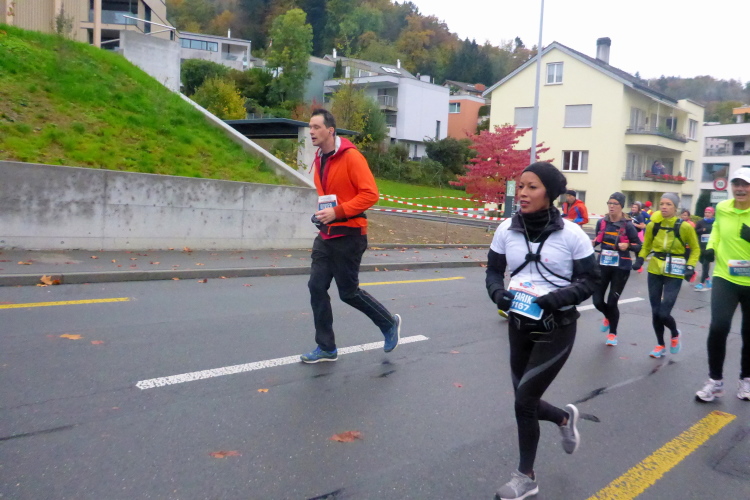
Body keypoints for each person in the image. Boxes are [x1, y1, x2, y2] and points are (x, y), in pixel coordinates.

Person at [486, 162, 600, 500]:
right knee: (526, 400)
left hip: (557, 327)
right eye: (521, 186)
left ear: (549, 193)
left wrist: (557, 299)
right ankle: (563, 419)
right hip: (519, 325)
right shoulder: (506, 229)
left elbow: (590, 281)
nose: (522, 193)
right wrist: (498, 293)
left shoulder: (573, 235)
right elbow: (493, 272)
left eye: (532, 187)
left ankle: (526, 477)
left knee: (524, 402)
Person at [300, 109, 401, 363]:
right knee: (316, 286)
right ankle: (326, 347)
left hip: (350, 235)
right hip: (326, 235)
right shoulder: (319, 159)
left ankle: (388, 323)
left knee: (348, 292)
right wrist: (323, 215)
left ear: (330, 130)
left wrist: (337, 212)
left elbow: (370, 194)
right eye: (310, 127)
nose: (311, 131)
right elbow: (330, 196)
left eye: (316, 127)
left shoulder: (351, 157)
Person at [695, 167, 750, 402]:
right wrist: (711, 247)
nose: (740, 189)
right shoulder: (722, 208)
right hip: (725, 277)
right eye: (737, 184)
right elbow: (716, 229)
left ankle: (746, 379)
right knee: (719, 326)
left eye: (745, 185)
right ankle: (715, 381)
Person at [633, 193, 700, 358]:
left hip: (675, 270)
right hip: (655, 269)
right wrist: (640, 259)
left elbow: (695, 248)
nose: (664, 207)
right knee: (655, 311)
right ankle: (660, 345)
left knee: (664, 313)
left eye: (668, 204)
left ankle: (675, 333)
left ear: (675, 208)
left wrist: (690, 266)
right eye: (662, 203)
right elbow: (646, 245)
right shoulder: (653, 225)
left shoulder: (684, 227)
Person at [592, 193, 642, 346]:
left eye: (615, 203)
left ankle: (612, 334)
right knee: (597, 301)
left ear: (621, 206)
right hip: (603, 265)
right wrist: (593, 243)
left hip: (621, 267)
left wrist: (628, 245)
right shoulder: (601, 222)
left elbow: (638, 246)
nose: (611, 206)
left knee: (612, 302)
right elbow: (598, 239)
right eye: (609, 203)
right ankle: (609, 316)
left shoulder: (628, 225)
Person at [694, 206, 716, 292]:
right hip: (701, 246)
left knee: (705, 264)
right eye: (706, 212)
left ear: (712, 213)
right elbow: (695, 231)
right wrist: (702, 230)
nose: (707, 214)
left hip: (710, 246)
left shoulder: (715, 222)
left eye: (709, 212)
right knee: (702, 262)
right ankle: (707, 278)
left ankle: (701, 283)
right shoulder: (700, 222)